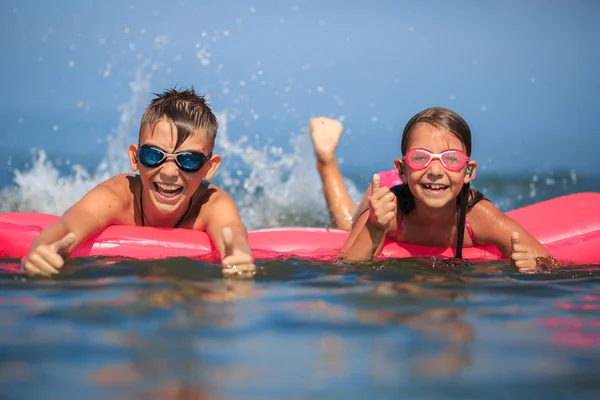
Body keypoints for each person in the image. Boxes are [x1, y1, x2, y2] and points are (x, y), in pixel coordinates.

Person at [22, 87, 254, 276]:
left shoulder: (211, 204)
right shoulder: (118, 197)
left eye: (189, 160)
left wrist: (238, 257)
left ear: (209, 167)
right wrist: (42, 249)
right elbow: (68, 228)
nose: (169, 172)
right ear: (135, 157)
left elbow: (231, 233)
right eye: (154, 155)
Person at [310, 109, 556, 272]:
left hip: (416, 182)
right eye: (421, 157)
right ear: (401, 168)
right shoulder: (391, 210)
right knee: (347, 224)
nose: (436, 170)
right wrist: (375, 225)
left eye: (450, 159)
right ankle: (326, 161)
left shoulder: (478, 215)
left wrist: (535, 266)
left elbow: (549, 262)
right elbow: (346, 266)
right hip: (391, 187)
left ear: (468, 171)